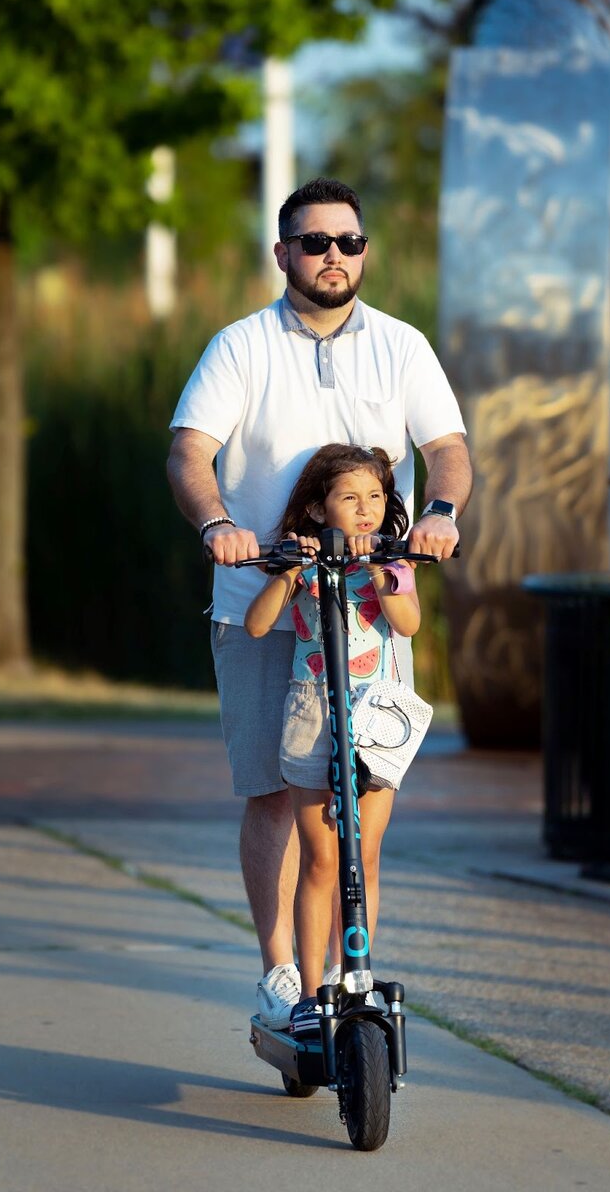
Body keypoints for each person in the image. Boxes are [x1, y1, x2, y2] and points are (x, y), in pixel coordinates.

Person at [167, 176, 472, 1028]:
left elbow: (446, 450)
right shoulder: (241, 346)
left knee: (364, 811)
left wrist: (440, 514)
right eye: (314, 242)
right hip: (265, 603)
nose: (332, 257)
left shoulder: (403, 347)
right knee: (273, 793)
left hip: (370, 614)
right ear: (283, 253)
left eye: (348, 242)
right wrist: (219, 522)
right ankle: (280, 976)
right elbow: (191, 452)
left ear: (364, 251)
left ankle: (343, 974)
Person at [244, 444, 420, 1035]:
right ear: (319, 510)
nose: (366, 509)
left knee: (364, 854)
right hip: (314, 716)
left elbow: (408, 623)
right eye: (350, 498)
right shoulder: (302, 561)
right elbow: (258, 623)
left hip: (376, 720)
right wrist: (293, 570)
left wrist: (379, 569)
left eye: (376, 497)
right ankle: (315, 993)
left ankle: (356, 978)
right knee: (320, 859)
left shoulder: (393, 563)